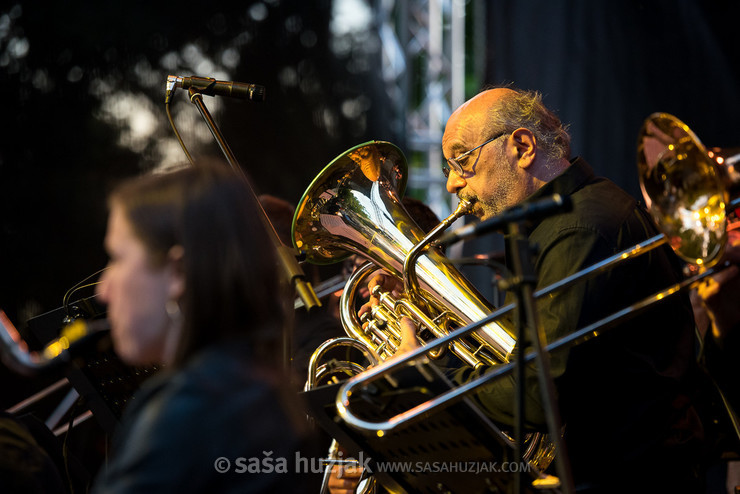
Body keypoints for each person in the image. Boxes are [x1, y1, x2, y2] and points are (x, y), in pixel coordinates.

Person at [340, 87, 712, 493]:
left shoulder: (581, 227)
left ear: (522, 145)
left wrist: (427, 376)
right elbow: (523, 352)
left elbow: (539, 390)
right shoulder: (553, 224)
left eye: (462, 160)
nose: (451, 184)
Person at [91, 159, 320, 493]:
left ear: (178, 273)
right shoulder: (260, 388)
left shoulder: (189, 409)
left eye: (117, 258)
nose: (103, 289)